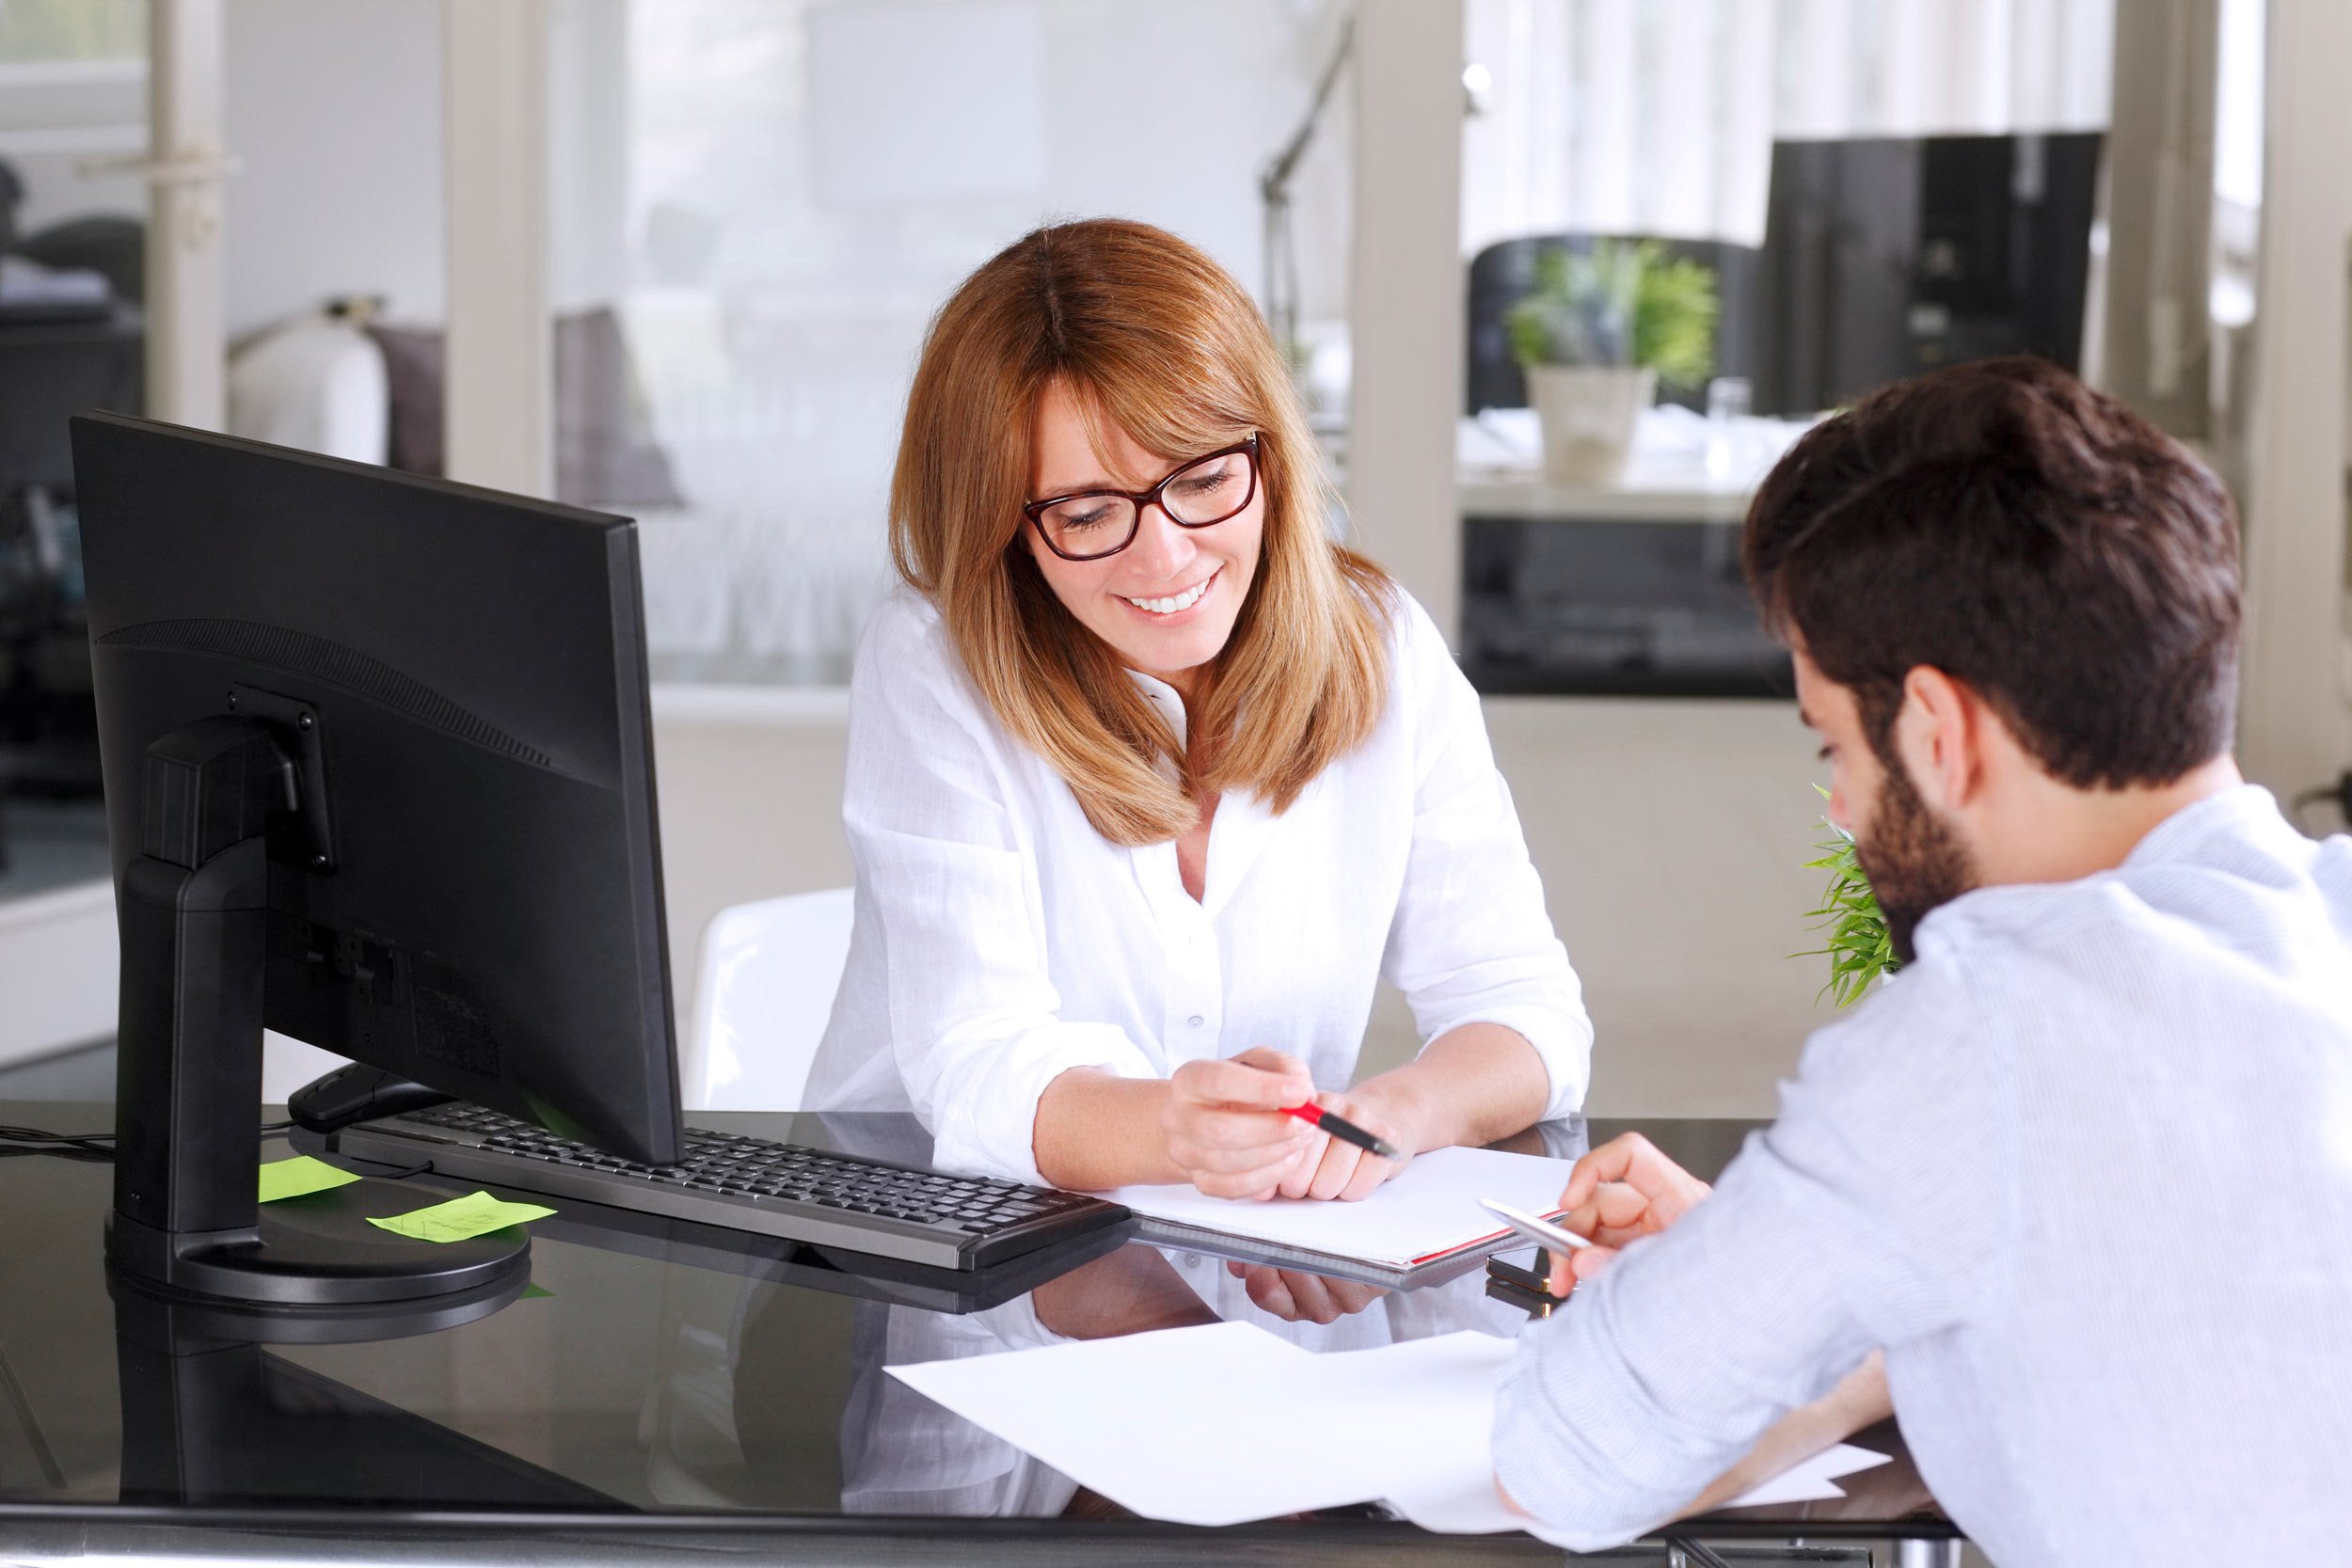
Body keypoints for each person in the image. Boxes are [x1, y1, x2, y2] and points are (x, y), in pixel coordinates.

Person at [1492, 356, 2352, 1563]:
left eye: (1835, 745)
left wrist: (1801, 1304)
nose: (1839, 812)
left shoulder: (1986, 1029)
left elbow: (1563, 1456)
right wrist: (1856, 1282)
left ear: (1939, 733)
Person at [803, 218, 1589, 1209]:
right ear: (1001, 527)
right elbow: (977, 1061)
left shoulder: (1382, 644)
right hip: (945, 1253)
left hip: (1262, 1256)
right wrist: (1176, 1128)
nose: (1166, 558)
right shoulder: (935, 666)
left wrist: (1395, 1116)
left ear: (1272, 459)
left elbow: (1523, 1007)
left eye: (1207, 479)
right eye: (1087, 514)